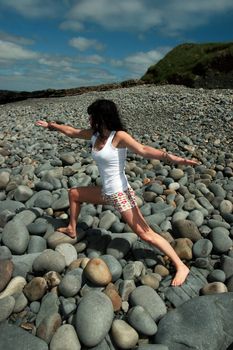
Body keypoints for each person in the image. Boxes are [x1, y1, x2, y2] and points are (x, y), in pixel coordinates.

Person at [36, 98, 199, 286]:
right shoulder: (94, 135)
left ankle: (180, 265)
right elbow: (72, 132)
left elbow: (143, 150)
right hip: (106, 191)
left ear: (101, 117)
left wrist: (175, 159)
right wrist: (51, 125)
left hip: (120, 193)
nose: (89, 119)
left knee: (145, 234)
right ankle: (72, 228)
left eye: (92, 116)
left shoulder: (118, 136)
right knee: (74, 193)